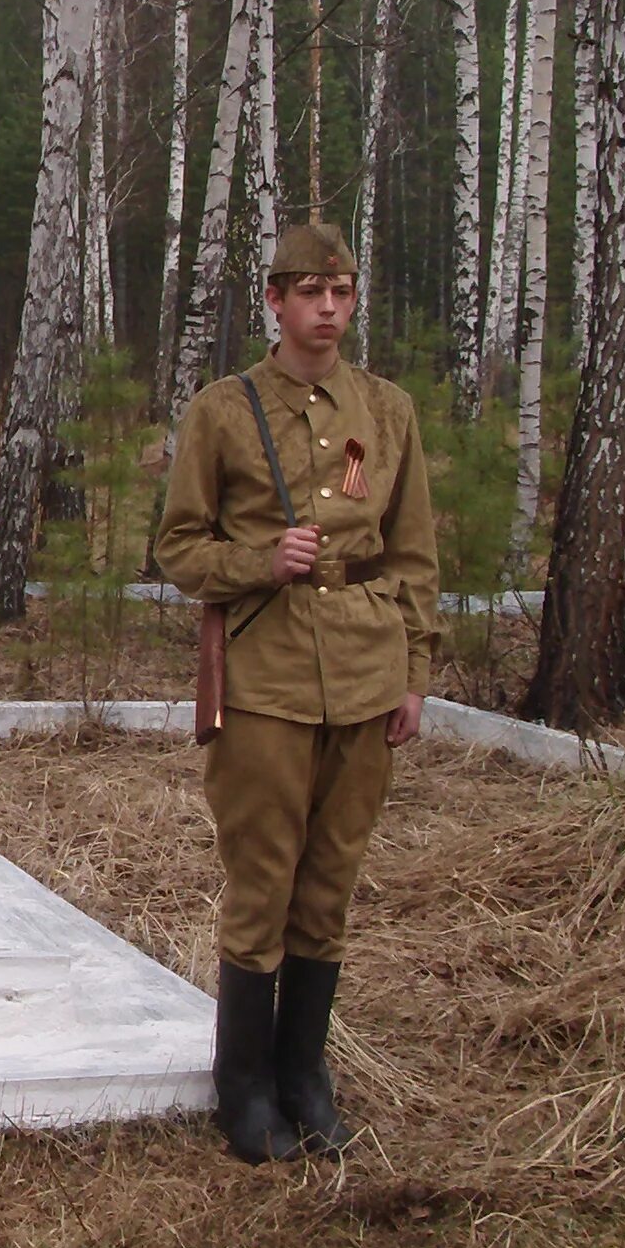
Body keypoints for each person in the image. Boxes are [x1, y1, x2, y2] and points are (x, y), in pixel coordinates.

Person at [153, 222, 439, 1163]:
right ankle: (244, 1089)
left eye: (343, 292)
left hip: (365, 673)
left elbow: (412, 554)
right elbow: (179, 549)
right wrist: (261, 559)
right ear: (274, 302)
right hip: (267, 676)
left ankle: (305, 1077)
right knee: (263, 882)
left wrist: (414, 673)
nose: (327, 307)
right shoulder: (224, 412)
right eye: (310, 291)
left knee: (330, 885)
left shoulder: (386, 412)